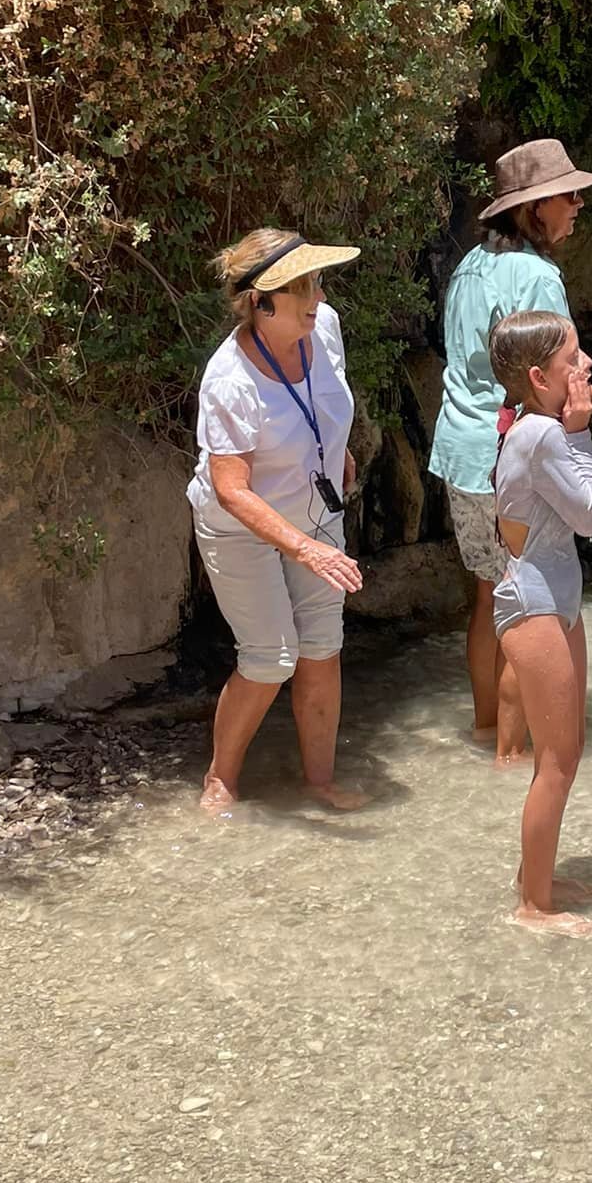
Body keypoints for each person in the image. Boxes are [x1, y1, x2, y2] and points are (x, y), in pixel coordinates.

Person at [428, 139, 592, 765]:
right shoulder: (539, 276)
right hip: (512, 454)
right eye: (568, 196)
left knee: (491, 595)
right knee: (532, 608)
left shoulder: (466, 267)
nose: (577, 207)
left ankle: (489, 732)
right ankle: (521, 760)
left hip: (461, 450)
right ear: (532, 208)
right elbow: (553, 381)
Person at [187, 229, 367, 817]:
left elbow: (328, 400)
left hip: (315, 511)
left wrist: (335, 451)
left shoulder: (325, 326)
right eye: (301, 287)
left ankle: (319, 783)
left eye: (316, 281)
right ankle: (221, 778)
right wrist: (305, 550)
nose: (316, 295)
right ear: (261, 302)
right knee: (270, 657)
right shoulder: (229, 380)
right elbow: (231, 490)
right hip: (243, 527)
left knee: (321, 648)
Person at [489, 310, 592, 937]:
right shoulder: (541, 437)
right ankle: (533, 908)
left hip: (553, 599)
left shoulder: (543, 431)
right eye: (574, 360)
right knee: (559, 761)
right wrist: (578, 433)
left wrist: (582, 433)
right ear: (541, 377)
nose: (587, 366)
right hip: (533, 601)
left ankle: (535, 878)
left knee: (563, 752)